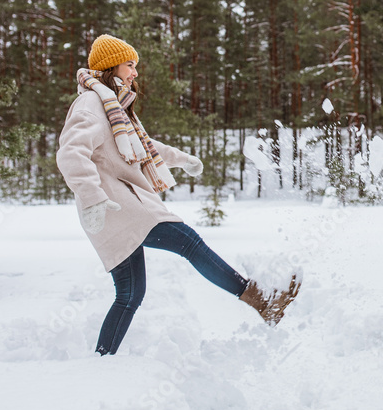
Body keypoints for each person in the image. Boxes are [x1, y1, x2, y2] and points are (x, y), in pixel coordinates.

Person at [57, 34, 300, 356]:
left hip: (114, 206)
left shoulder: (112, 106)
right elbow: (71, 152)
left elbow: (142, 146)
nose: (135, 72)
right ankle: (261, 301)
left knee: (129, 295)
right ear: (110, 66)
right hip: (114, 205)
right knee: (189, 242)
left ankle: (102, 359)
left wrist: (181, 159)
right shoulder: (91, 103)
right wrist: (92, 196)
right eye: (130, 64)